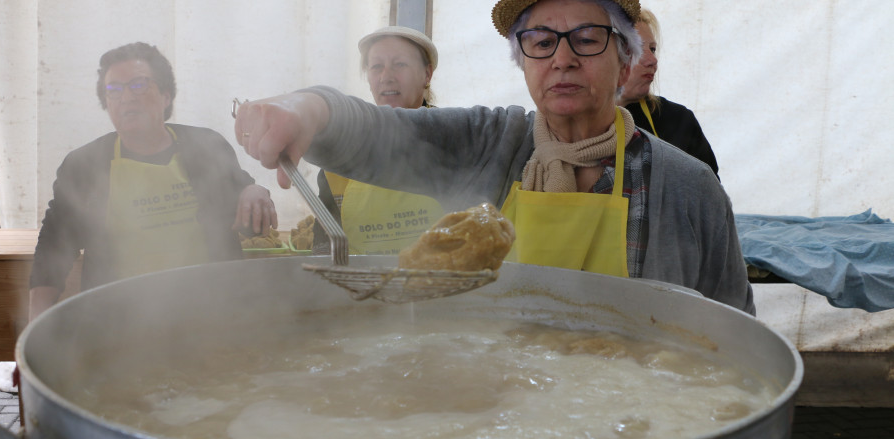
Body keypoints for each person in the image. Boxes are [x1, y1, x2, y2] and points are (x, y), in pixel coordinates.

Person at [233, 0, 755, 314]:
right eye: (541, 41)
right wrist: (306, 109)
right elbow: (380, 135)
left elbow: (732, 334)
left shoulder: (688, 188)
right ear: (522, 63)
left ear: (625, 62)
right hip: (498, 407)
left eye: (589, 39)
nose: (563, 57)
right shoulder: (491, 143)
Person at [29, 42, 277, 319]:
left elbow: (248, 219)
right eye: (113, 90)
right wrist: (34, 325)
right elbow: (54, 247)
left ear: (166, 96)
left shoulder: (207, 146)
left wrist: (254, 191)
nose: (126, 98)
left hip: (213, 312)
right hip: (120, 319)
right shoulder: (83, 165)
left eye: (138, 85)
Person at [314, 26, 445, 255]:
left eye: (400, 64)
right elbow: (324, 245)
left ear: (427, 74)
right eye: (376, 66)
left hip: (443, 285)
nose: (386, 77)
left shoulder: (456, 139)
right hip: (363, 287)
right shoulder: (341, 150)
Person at [618, 7, 719, 177]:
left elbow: (710, 197)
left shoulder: (679, 121)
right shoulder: (574, 121)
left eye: (653, 49)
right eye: (640, 49)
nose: (653, 60)